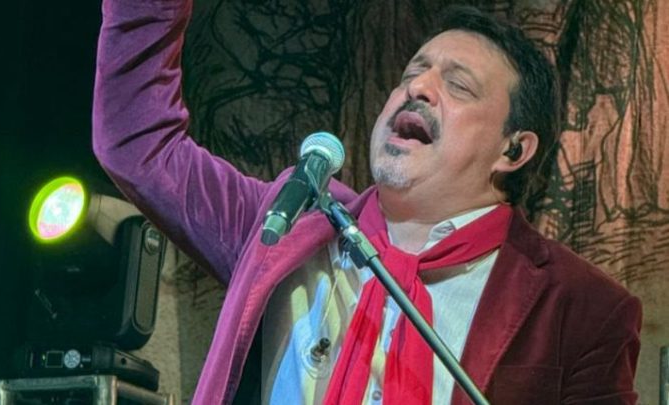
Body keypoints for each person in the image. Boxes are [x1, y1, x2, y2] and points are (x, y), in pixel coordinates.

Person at [92, 0, 642, 403]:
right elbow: (139, 144)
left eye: (458, 85)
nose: (418, 88)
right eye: (412, 74)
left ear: (513, 149)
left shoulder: (584, 309)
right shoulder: (287, 223)